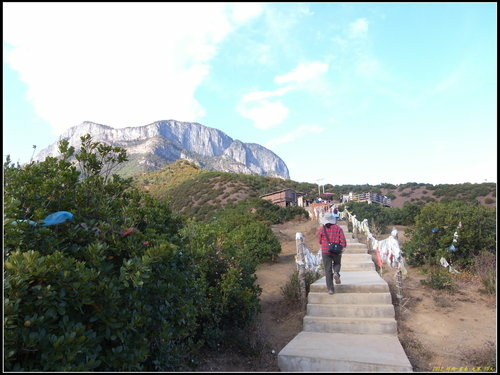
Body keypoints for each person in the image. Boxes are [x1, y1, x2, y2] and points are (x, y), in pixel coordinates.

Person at [318, 212, 347, 294]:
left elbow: (319, 241)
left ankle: (330, 289)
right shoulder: (338, 228)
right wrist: (343, 246)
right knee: (337, 263)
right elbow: (343, 241)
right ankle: (337, 273)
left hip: (325, 251)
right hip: (336, 250)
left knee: (327, 270)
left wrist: (325, 243)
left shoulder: (322, 229)